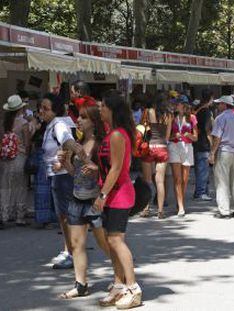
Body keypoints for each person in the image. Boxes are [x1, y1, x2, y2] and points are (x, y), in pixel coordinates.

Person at [58, 98, 110, 299]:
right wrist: (66, 164)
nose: (78, 120)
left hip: (94, 201)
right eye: (78, 116)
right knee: (76, 243)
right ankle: (80, 284)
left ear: (93, 121)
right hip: (76, 199)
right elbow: (76, 174)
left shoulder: (100, 144)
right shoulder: (78, 144)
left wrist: (93, 165)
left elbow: (106, 173)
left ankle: (121, 276)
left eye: (83, 117)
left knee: (105, 243)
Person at [95, 90, 142, 309]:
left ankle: (133, 288)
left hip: (119, 195)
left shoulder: (117, 134)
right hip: (113, 194)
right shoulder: (114, 132)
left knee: (115, 241)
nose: (100, 109)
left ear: (112, 109)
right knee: (111, 241)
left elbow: (115, 169)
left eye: (103, 105)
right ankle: (118, 284)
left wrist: (102, 194)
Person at [40, 93, 86, 269]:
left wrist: (66, 159)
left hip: (62, 177)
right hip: (57, 176)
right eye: (41, 108)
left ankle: (72, 253)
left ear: (55, 110)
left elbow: (68, 141)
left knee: (66, 216)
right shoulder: (53, 124)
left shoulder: (58, 124)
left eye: (46, 108)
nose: (41, 111)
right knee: (63, 216)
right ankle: (69, 249)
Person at [209, 95, 234, 219]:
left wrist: (212, 153)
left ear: (225, 105)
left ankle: (224, 211)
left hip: (225, 151)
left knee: (222, 181)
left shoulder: (220, 118)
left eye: (220, 104)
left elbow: (217, 137)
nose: (218, 105)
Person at [139, 92, 173, 219]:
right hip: (162, 147)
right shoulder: (169, 115)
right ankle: (160, 211)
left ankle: (146, 209)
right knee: (160, 181)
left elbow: (142, 127)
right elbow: (168, 136)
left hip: (149, 147)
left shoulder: (149, 111)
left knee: (147, 181)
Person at [0, 95, 31, 228]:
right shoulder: (23, 123)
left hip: (5, 158)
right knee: (21, 186)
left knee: (6, 186)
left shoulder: (3, 122)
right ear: (20, 108)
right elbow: (27, 143)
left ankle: (5, 214)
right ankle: (19, 216)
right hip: (20, 156)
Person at [168, 95, 198, 217]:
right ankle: (180, 205)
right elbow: (167, 136)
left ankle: (180, 201)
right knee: (177, 179)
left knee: (185, 179)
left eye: (178, 104)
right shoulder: (172, 117)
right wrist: (174, 136)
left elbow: (196, 137)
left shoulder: (192, 118)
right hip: (174, 146)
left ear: (184, 105)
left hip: (187, 147)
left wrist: (188, 135)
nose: (176, 105)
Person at [193, 89, 214, 201]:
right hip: (203, 143)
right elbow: (207, 130)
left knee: (200, 168)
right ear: (210, 98)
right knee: (203, 169)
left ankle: (201, 191)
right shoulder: (206, 111)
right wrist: (211, 144)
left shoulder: (197, 108)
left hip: (196, 142)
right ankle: (201, 192)